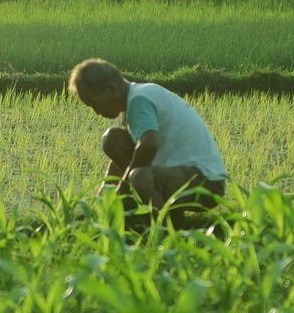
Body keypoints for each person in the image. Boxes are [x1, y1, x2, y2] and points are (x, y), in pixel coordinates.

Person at [68, 58, 227, 211]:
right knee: (113, 139)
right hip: (185, 175)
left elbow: (150, 143)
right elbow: (122, 161)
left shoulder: (139, 100)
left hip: (206, 181)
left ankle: (165, 226)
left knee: (139, 177)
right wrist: (104, 197)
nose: (96, 111)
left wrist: (123, 187)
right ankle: (150, 211)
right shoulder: (136, 98)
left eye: (95, 103)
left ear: (111, 89)